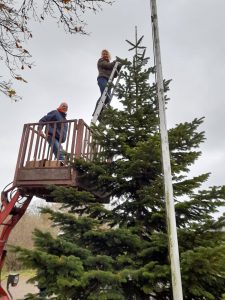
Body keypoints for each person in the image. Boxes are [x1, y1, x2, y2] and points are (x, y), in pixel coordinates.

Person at [93, 49, 117, 116]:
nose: (105, 55)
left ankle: (101, 112)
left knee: (107, 97)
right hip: (102, 79)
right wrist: (115, 62)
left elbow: (115, 75)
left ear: (108, 55)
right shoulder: (101, 61)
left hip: (109, 82)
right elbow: (107, 66)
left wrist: (118, 67)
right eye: (104, 54)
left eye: (106, 54)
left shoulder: (111, 64)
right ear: (102, 55)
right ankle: (96, 111)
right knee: (104, 94)